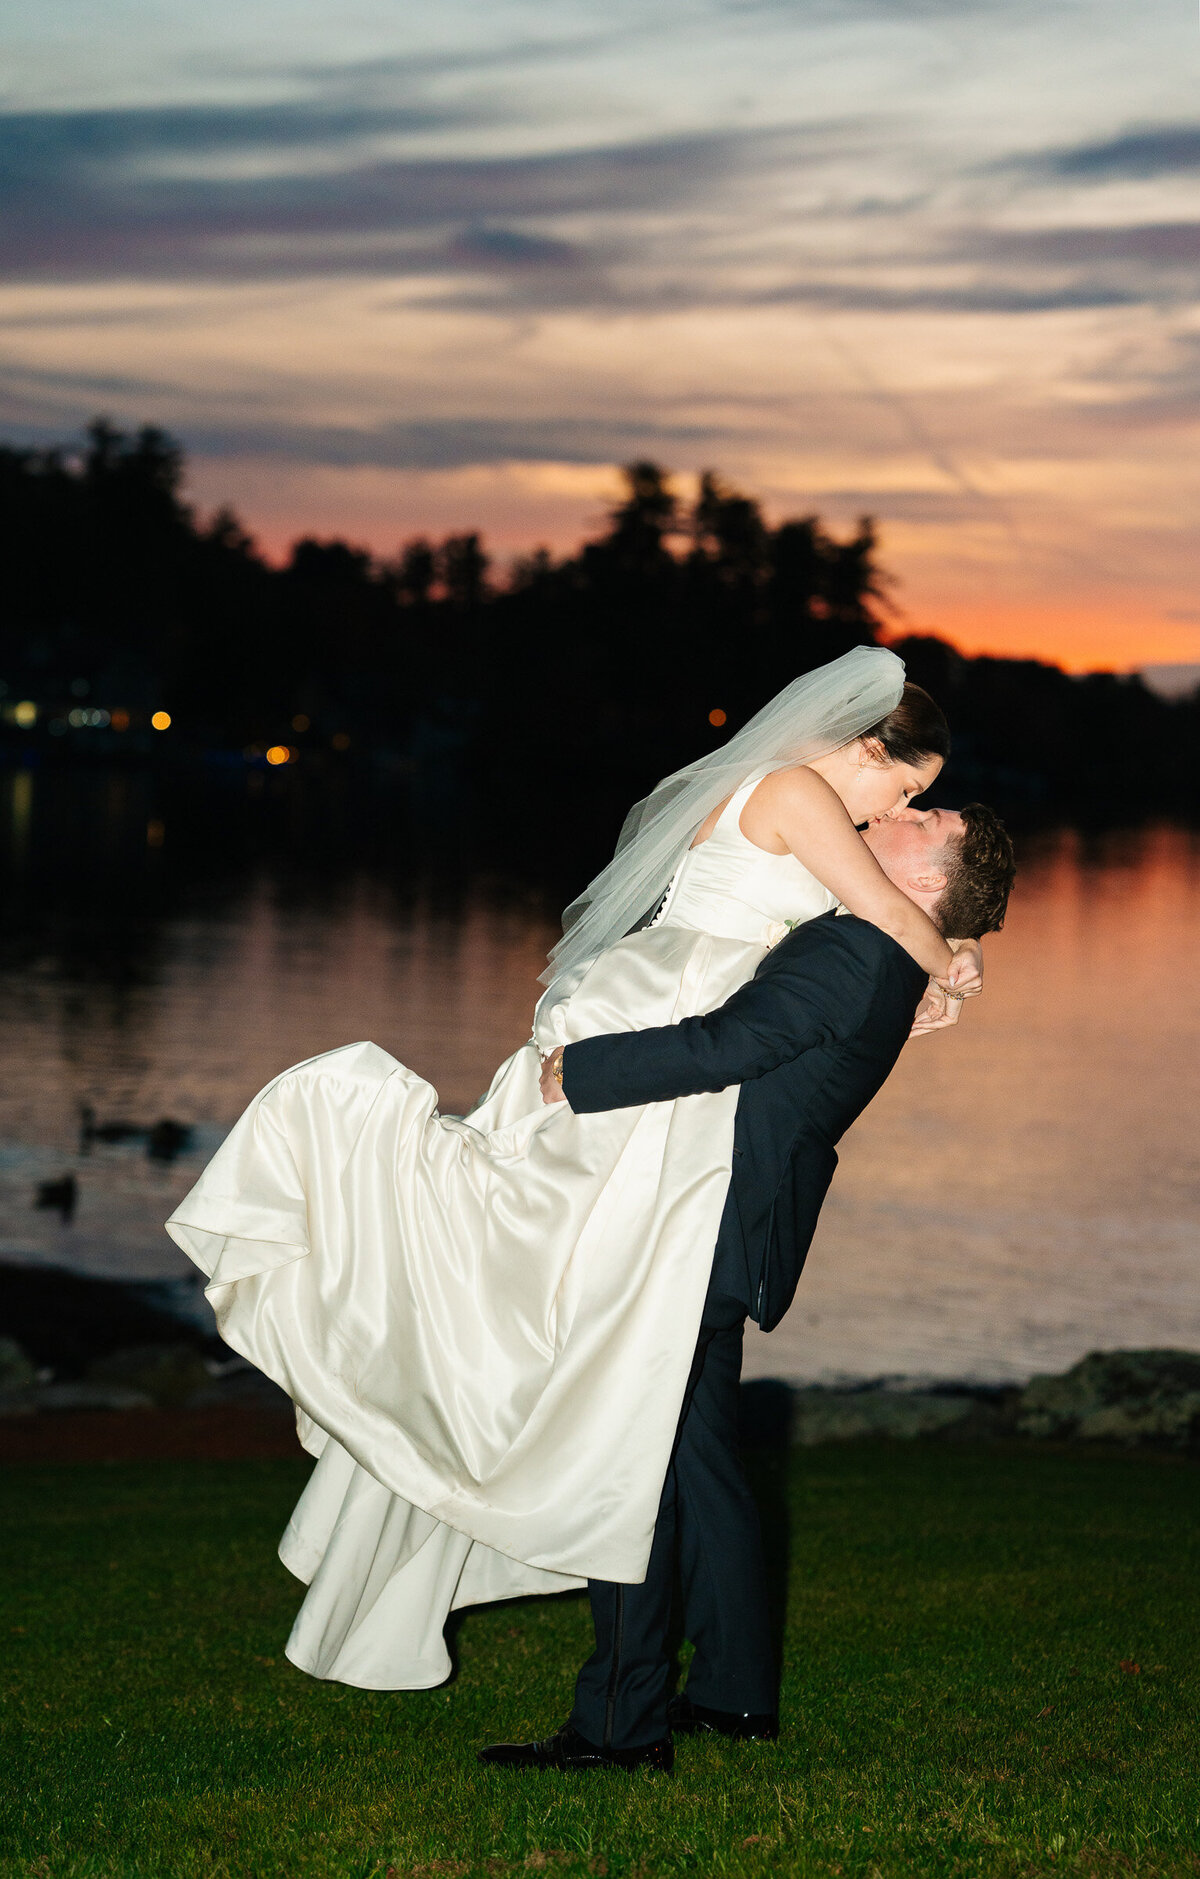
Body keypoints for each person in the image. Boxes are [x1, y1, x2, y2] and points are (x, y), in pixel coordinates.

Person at [165, 647, 981, 1691]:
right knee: (569, 1294)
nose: (889, 810)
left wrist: (948, 956)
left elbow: (858, 931)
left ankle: (659, 1669)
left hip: (670, 1035)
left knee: (600, 1335)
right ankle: (626, 1638)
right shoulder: (794, 788)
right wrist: (954, 963)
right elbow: (888, 912)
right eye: (903, 787)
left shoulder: (788, 795)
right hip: (661, 1042)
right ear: (865, 743)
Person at [479, 800, 1016, 1773]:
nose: (899, 808)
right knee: (701, 1465)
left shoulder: (860, 949)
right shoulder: (880, 942)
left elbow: (737, 1042)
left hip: (702, 1232)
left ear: (930, 879)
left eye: (925, 815)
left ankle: (618, 1726)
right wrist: (955, 959)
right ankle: (731, 1695)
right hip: (734, 1230)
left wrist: (581, 1070)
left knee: (629, 1467)